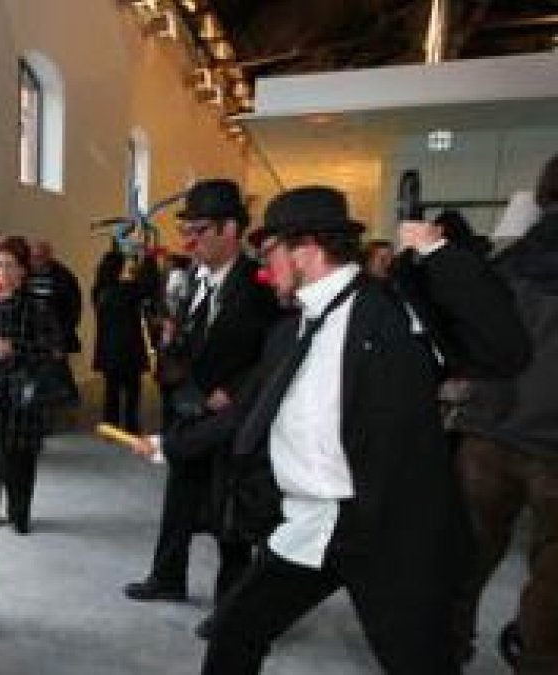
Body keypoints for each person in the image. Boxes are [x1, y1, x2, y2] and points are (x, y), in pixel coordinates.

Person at [186, 185, 527, 675]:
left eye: (269, 252)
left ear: (304, 250)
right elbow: (250, 412)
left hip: (389, 534)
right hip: (313, 525)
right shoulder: (291, 328)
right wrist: (170, 445)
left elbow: (505, 350)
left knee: (419, 663)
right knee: (236, 631)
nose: (264, 268)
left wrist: (436, 254)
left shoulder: (393, 312)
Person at [125, 179, 280, 614]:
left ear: (230, 229)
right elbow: (194, 345)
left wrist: (232, 391)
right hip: (188, 412)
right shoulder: (195, 281)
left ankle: (230, 606)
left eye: (199, 230)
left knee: (230, 519)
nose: (189, 239)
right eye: (187, 229)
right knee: (178, 504)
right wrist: (172, 349)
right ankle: (167, 578)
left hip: (232, 423)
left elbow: (274, 355)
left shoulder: (260, 286)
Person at [452, 152, 558, 673]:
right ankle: (538, 659)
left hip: (489, 431)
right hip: (553, 446)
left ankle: (444, 648)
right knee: (553, 572)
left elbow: (471, 339)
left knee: (465, 554)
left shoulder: (509, 262)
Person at [0, 236, 62, 534]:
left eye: (10, 265)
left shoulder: (38, 308)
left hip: (20, 394)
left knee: (19, 459)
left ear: (23, 270)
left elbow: (53, 351)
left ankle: (19, 513)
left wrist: (14, 349)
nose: (3, 271)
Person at [92, 249, 154, 433]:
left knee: (111, 392)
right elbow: (148, 286)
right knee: (132, 392)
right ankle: (131, 427)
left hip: (108, 348)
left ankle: (110, 427)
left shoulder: (98, 291)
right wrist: (145, 262)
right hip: (130, 348)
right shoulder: (128, 289)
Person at [27, 240, 84, 406]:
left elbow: (73, 307)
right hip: (32, 332)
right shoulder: (26, 275)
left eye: (38, 257)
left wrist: (63, 335)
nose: (34, 261)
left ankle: (67, 398)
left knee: (58, 366)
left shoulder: (63, 276)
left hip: (55, 333)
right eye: (32, 257)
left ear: (48, 257)